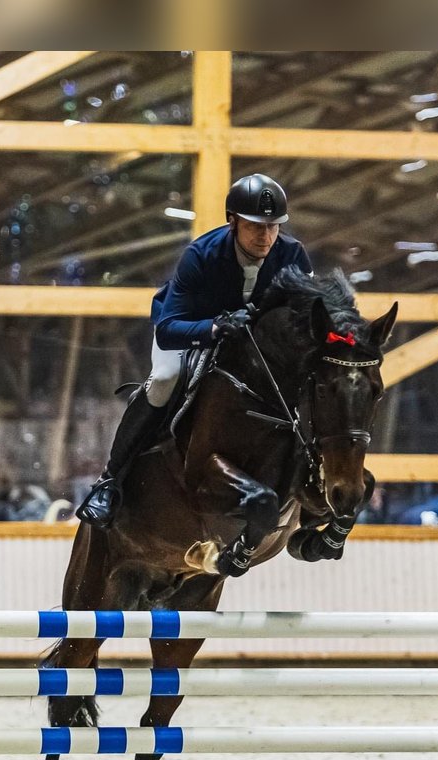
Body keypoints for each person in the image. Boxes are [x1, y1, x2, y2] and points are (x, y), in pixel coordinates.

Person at [76, 173, 312, 528]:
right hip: (193, 333)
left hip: (253, 346)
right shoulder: (200, 256)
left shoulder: (292, 254)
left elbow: (303, 316)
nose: (265, 237)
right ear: (232, 221)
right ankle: (110, 481)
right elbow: (170, 329)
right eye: (255, 227)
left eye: (273, 227)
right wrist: (215, 327)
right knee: (165, 379)